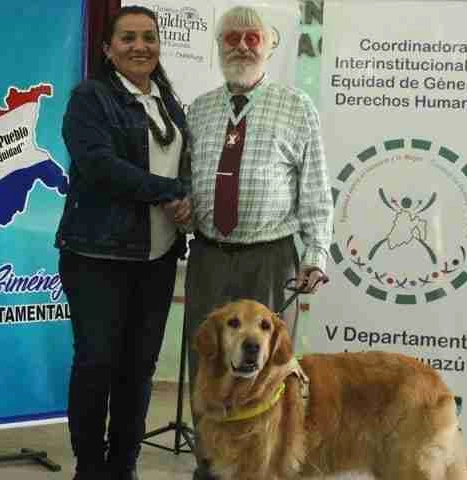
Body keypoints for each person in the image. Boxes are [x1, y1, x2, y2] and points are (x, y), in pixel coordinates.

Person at [184, 6, 333, 480]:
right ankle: (211, 461)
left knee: (268, 366)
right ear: (219, 46)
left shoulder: (297, 107)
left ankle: (264, 461)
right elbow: (185, 180)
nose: (242, 46)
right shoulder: (199, 109)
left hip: (271, 258)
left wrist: (315, 255)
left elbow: (315, 190)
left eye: (252, 38)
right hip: (209, 255)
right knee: (207, 357)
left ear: (269, 45)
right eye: (231, 38)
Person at [55, 6, 192, 480]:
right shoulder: (90, 98)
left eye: (149, 37)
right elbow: (98, 164)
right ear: (107, 48)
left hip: (157, 258)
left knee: (138, 372)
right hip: (98, 257)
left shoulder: (167, 100)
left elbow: (181, 166)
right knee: (97, 366)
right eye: (128, 38)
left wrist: (187, 196)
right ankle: (90, 469)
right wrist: (170, 192)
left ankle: (123, 467)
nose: (140, 46)